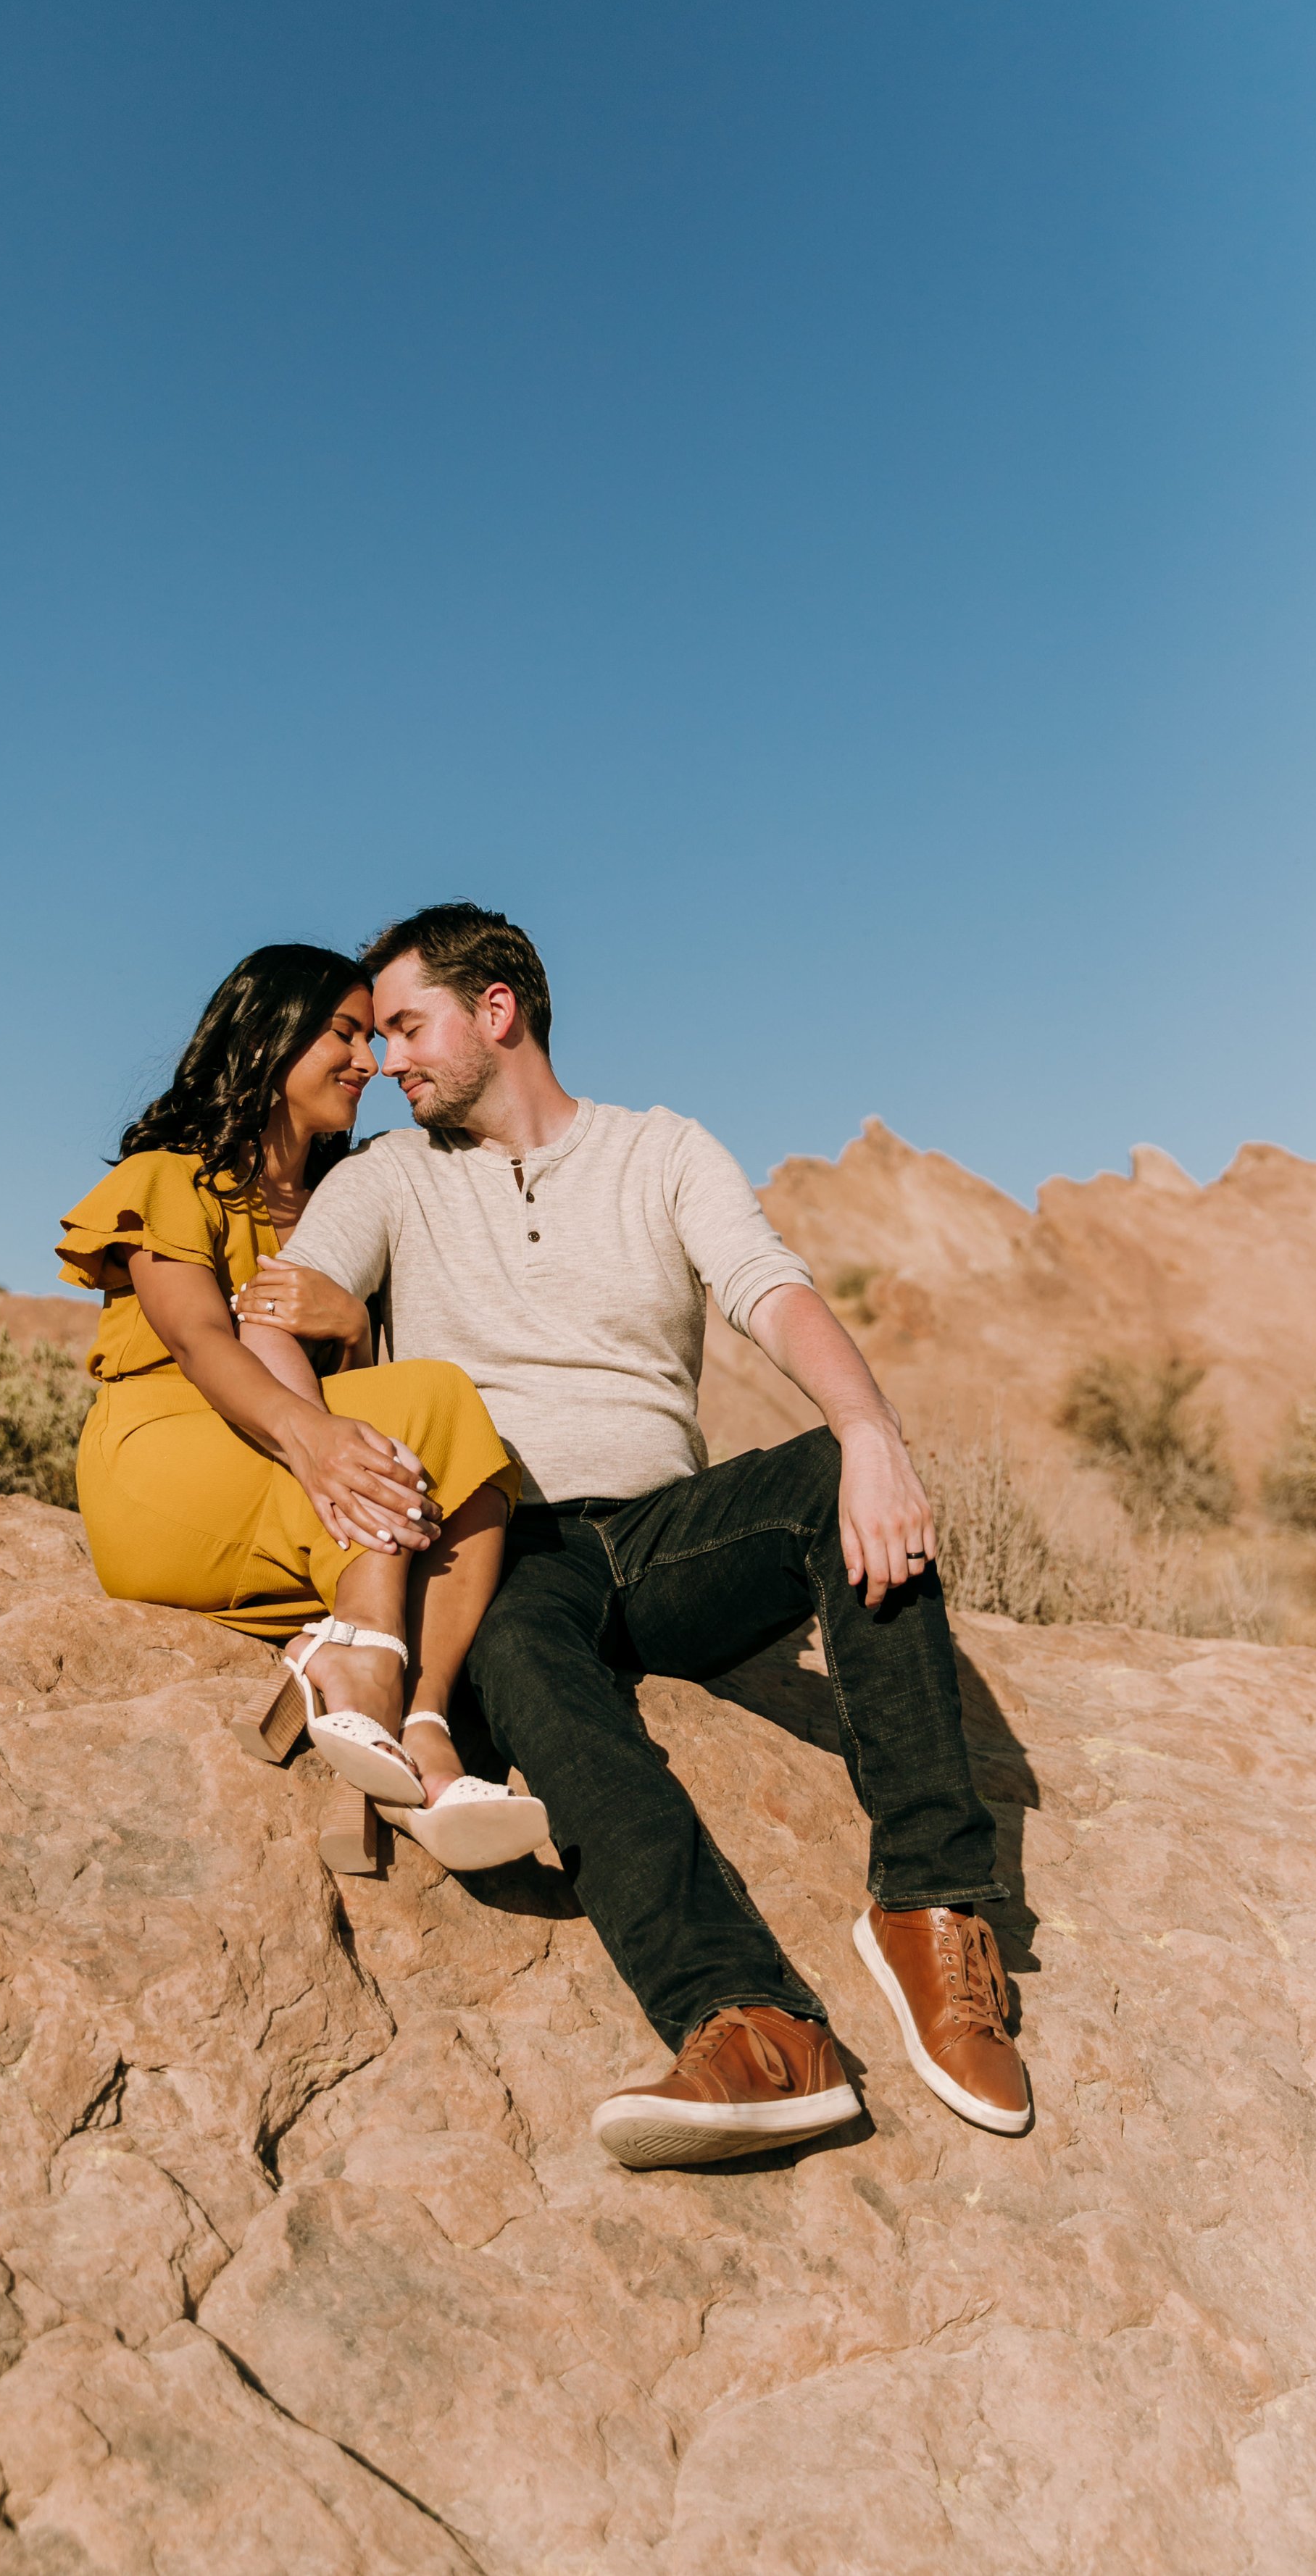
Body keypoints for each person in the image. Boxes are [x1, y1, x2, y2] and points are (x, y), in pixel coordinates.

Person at [244, 903, 1031, 2169]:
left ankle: (931, 1909)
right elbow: (273, 1311)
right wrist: (321, 1441)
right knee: (528, 1673)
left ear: (496, 1011)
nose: (385, 1059)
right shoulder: (387, 1178)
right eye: (375, 1037)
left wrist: (872, 1431)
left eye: (406, 1025)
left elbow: (772, 1293)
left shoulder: (661, 1152)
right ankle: (759, 2026)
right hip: (501, 1541)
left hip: (668, 1531)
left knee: (837, 1475)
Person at [57, 942, 548, 1872]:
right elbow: (202, 1342)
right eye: (344, 1033)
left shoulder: (343, 1203)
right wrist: (314, 1439)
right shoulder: (173, 1177)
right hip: (168, 1463)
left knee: (458, 1436)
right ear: (268, 1036)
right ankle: (363, 1662)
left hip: (293, 1477)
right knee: (433, 1401)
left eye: (375, 1037)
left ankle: (422, 1736)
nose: (370, 1061)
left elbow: (375, 1383)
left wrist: (352, 1331)